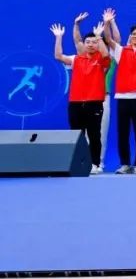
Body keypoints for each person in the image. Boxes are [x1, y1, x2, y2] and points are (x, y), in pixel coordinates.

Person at [101, 7, 136, 174]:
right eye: (133, 34)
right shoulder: (121, 51)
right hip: (123, 96)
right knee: (123, 132)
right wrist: (107, 23)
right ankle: (125, 164)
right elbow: (108, 39)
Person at [51, 16, 111, 174]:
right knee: (77, 135)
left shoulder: (102, 60)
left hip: (94, 103)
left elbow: (105, 54)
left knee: (94, 134)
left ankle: (95, 164)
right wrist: (59, 37)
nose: (91, 44)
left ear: (98, 44)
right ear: (83, 45)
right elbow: (58, 56)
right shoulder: (76, 59)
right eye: (88, 42)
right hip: (76, 103)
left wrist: (98, 36)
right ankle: (78, 163)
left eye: (94, 42)